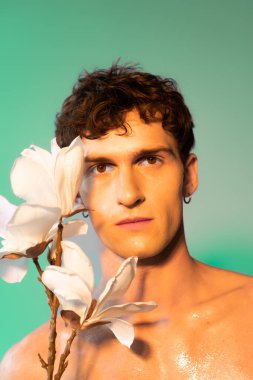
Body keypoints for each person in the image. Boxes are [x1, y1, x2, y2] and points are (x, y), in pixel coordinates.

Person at [1, 63, 253, 379]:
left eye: (150, 160)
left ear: (189, 176)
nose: (129, 194)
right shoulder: (28, 366)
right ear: (74, 192)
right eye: (101, 168)